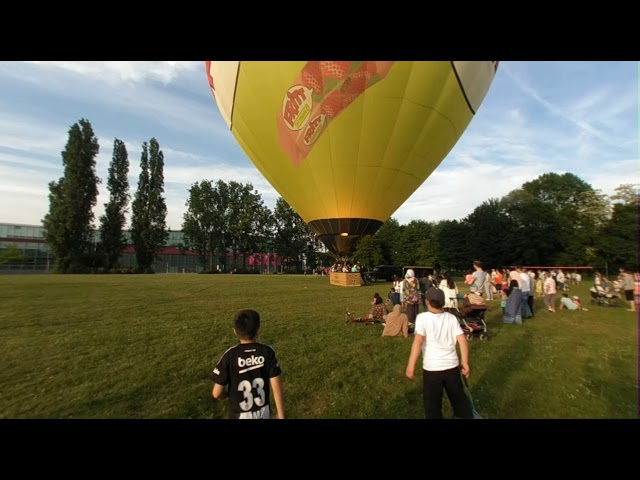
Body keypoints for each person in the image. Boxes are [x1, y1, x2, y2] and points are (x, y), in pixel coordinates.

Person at [405, 287, 473, 419]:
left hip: (432, 370)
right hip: (452, 368)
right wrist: (464, 362)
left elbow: (418, 341)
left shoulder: (422, 318)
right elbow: (462, 340)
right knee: (459, 399)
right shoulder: (451, 318)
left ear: (427, 302)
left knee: (432, 405)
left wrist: (410, 365)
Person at [210, 309, 285, 419]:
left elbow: (216, 393)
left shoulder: (230, 355)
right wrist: (281, 413)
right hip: (263, 412)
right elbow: (276, 384)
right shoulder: (267, 351)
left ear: (235, 331)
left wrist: (225, 396)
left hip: (239, 414)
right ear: (258, 331)